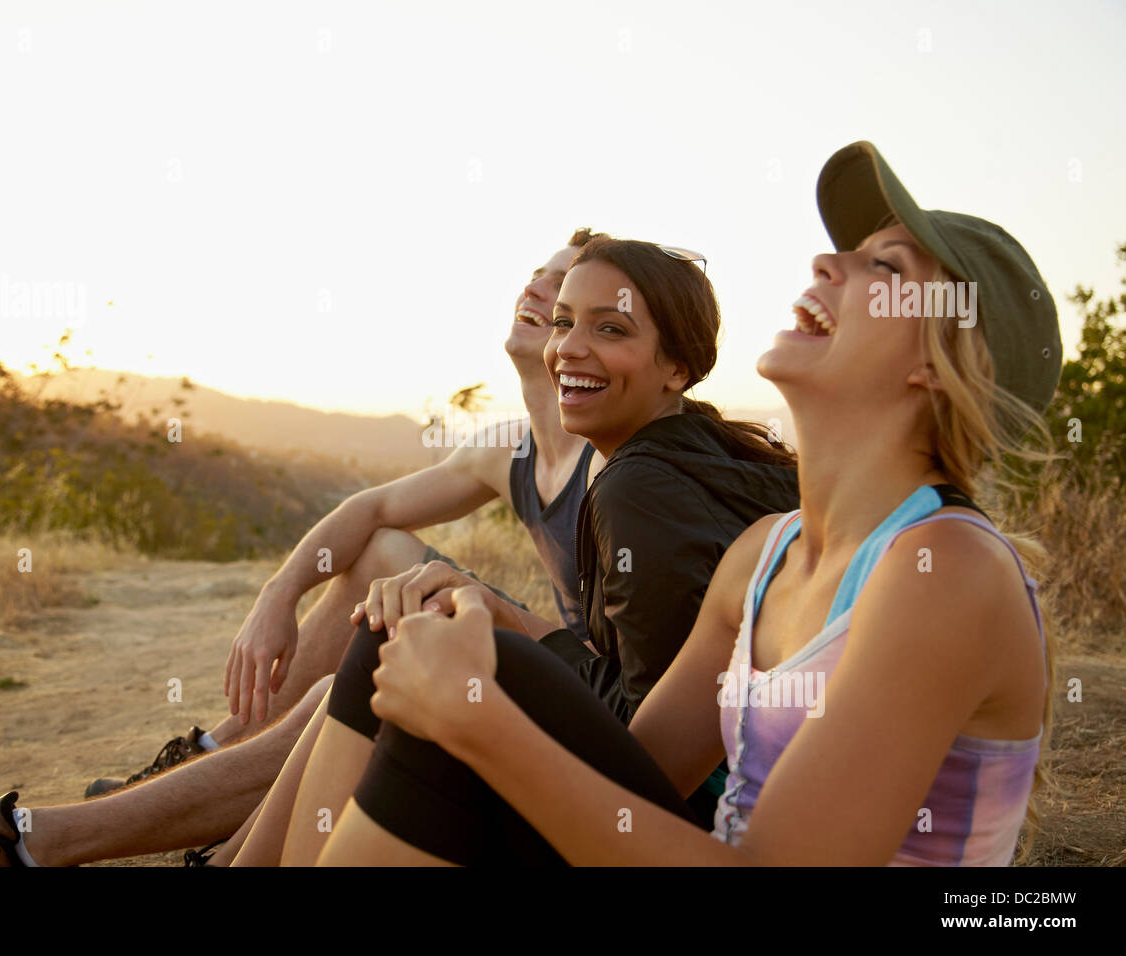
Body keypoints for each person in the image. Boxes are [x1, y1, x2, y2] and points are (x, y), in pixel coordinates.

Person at [313, 141, 1061, 866]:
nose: (825, 261)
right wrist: (485, 628)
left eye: (883, 266)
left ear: (939, 362)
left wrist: (474, 720)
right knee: (413, 633)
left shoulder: (947, 571)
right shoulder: (764, 556)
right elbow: (634, 776)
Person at [0, 229, 611, 868]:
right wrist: (277, 599)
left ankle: (29, 842)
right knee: (383, 552)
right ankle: (209, 755)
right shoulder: (508, 449)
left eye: (562, 287)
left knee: (379, 651)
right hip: (553, 668)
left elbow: (633, 676)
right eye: (536, 276)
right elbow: (367, 507)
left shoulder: (613, 460)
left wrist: (485, 610)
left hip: (584, 710)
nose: (535, 290)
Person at [233, 235, 799, 865]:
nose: (570, 348)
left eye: (610, 329)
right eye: (564, 322)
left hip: (678, 821)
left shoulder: (637, 490)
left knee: (398, 634)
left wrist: (491, 693)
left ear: (677, 367)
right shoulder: (707, 452)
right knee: (422, 622)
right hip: (688, 782)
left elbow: (652, 758)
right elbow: (653, 687)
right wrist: (499, 616)